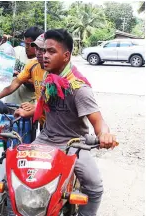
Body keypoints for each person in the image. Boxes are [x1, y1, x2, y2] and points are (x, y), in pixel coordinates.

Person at [33, 29, 117, 216]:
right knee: (17, 175)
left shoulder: (79, 88)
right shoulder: (49, 78)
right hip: (45, 139)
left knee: (94, 187)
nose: (44, 55)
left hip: (73, 144)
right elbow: (46, 110)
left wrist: (104, 134)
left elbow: (99, 121)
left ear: (66, 56)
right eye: (44, 51)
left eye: (51, 52)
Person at [0, 32, 46, 120]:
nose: (38, 52)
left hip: (49, 120)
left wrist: (35, 107)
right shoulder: (32, 64)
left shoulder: (55, 71)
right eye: (37, 48)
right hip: (35, 115)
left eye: (42, 49)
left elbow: (53, 104)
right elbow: (14, 84)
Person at [5, 26, 45, 106]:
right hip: (9, 101)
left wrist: (20, 76)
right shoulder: (16, 51)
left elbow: (36, 87)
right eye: (25, 43)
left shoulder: (41, 62)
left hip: (27, 106)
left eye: (29, 45)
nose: (26, 47)